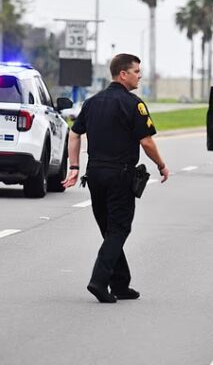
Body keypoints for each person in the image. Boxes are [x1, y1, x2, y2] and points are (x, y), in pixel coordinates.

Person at [62, 53, 170, 303]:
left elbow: (74, 134)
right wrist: (162, 165)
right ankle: (99, 281)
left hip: (95, 175)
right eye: (136, 72)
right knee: (119, 229)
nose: (139, 76)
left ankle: (120, 284)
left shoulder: (92, 102)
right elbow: (146, 141)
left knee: (110, 231)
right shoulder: (134, 104)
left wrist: (75, 167)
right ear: (123, 74)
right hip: (119, 175)